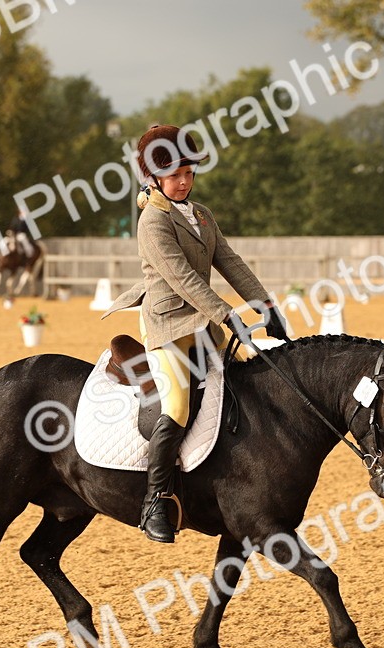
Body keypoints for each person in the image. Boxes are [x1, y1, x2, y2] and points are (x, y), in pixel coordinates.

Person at [102, 124, 288, 544]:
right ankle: (154, 502)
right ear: (154, 178)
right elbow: (183, 278)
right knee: (178, 406)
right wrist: (227, 314)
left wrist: (265, 304)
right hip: (168, 325)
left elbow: (230, 261)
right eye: (175, 176)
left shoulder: (201, 214)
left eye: (189, 173)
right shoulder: (152, 221)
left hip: (202, 322)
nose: (184, 182)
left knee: (248, 380)